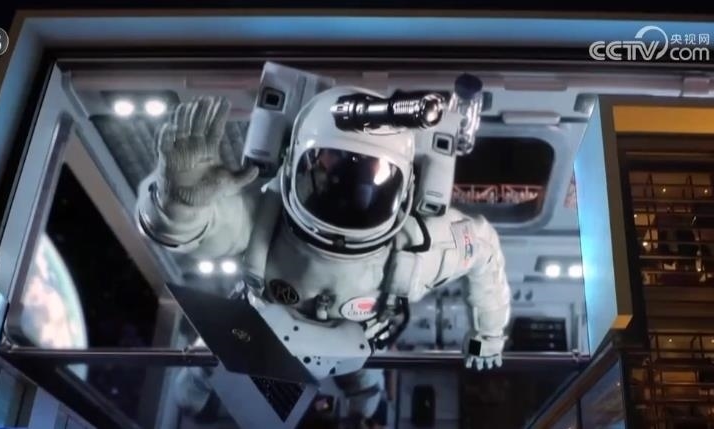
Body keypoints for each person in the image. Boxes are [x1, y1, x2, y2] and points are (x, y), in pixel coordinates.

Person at [137, 87, 512, 420]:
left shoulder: (416, 249)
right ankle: (191, 408)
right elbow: (186, 229)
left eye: (372, 177)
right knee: (198, 377)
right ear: (291, 162)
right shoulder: (265, 216)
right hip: (259, 323)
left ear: (409, 188)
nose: (350, 190)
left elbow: (483, 248)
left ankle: (368, 413)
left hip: (351, 340)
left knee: (362, 388)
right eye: (330, 166)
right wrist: (179, 202)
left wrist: (491, 334)